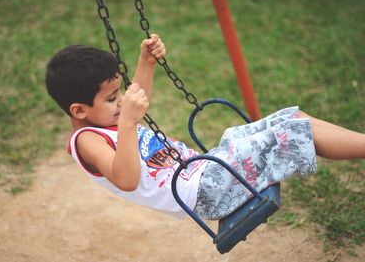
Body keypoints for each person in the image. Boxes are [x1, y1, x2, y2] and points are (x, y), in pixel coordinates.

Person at [45, 34, 365, 220]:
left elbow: (136, 100)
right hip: (203, 193)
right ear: (79, 110)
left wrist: (147, 63)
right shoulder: (87, 140)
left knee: (292, 119)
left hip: (206, 169)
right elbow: (126, 179)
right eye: (112, 98)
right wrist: (128, 121)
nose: (122, 102)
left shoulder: (111, 119)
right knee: (291, 135)